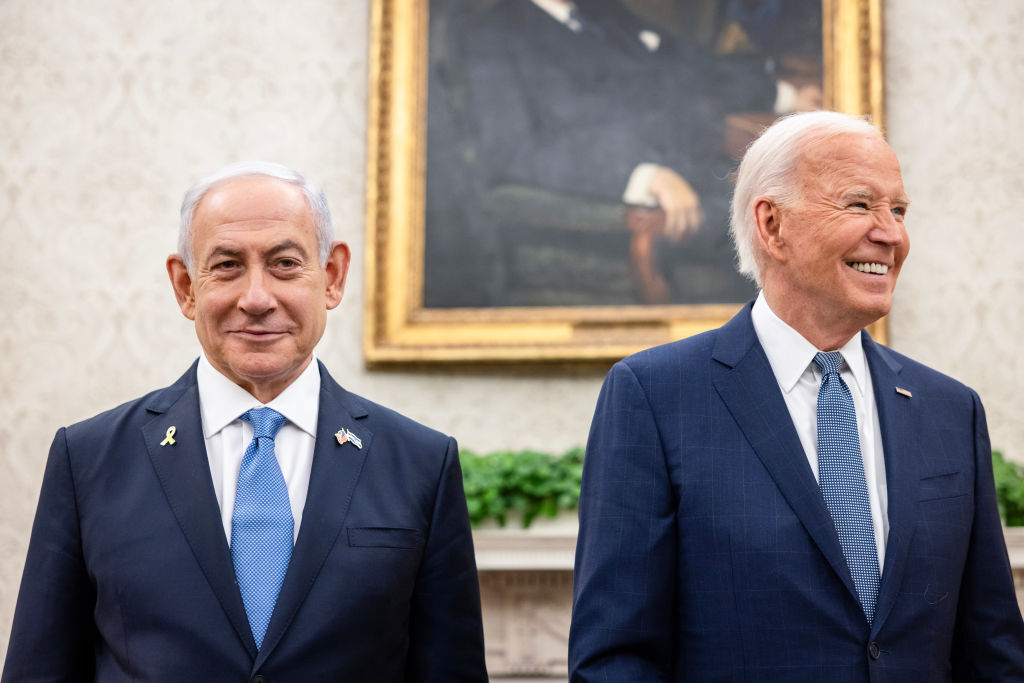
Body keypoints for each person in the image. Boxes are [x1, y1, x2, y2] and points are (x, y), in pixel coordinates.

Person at [568, 111, 1024, 679]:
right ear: (772, 224)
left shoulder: (950, 409)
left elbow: (993, 652)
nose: (891, 234)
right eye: (859, 204)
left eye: (899, 210)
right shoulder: (656, 396)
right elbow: (615, 659)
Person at [2, 162, 488, 681]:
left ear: (332, 276)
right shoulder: (89, 459)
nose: (257, 298)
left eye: (285, 264)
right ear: (186, 286)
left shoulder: (420, 463)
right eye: (228, 265)